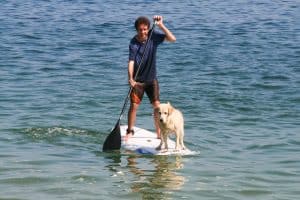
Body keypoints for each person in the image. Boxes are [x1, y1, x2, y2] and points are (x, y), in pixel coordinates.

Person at [125, 15, 176, 140]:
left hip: (152, 79)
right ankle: (130, 131)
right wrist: (130, 78)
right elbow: (131, 62)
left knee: (157, 107)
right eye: (140, 30)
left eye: (145, 29)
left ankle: (159, 134)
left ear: (148, 28)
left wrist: (161, 25)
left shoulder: (153, 36)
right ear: (137, 30)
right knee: (134, 106)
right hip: (138, 81)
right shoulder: (133, 43)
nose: (143, 32)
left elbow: (172, 39)